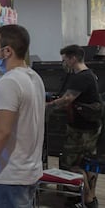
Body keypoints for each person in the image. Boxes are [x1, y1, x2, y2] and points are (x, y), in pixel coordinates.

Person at [0, 24, 46, 208]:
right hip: (29, 171)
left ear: (7, 51)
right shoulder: (34, 78)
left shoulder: (9, 82)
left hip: (9, 176)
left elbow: (2, 133)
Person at [46, 44, 102, 208]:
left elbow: (66, 99)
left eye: (65, 60)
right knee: (88, 161)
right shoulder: (89, 74)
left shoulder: (81, 77)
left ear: (73, 58)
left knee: (70, 163)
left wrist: (46, 105)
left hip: (81, 129)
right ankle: (88, 197)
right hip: (91, 126)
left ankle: (88, 200)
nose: (64, 63)